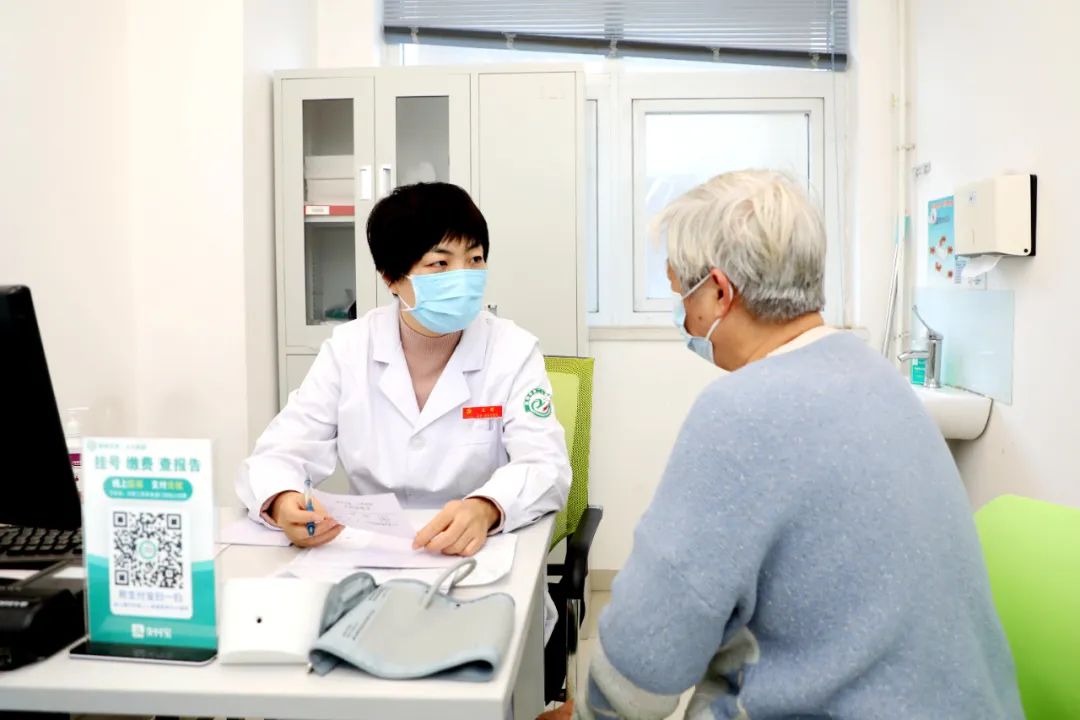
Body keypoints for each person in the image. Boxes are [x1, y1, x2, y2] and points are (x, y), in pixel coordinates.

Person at [571, 171, 1022, 720]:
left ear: (719, 292)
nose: (682, 317)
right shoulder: (880, 379)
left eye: (680, 294)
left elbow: (641, 669)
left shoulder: (739, 412)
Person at [237, 182, 570, 560]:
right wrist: (283, 500)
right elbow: (279, 453)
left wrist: (487, 507)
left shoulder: (513, 350)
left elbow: (545, 465)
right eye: (440, 263)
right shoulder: (349, 348)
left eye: (475, 259)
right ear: (390, 277)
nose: (463, 276)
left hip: (479, 552)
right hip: (372, 551)